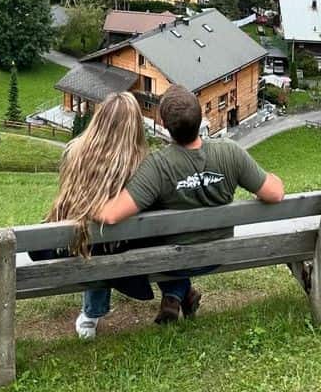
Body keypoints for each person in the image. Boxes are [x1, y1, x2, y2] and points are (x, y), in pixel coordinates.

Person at [94, 83, 285, 325]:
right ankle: (175, 295)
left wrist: (82, 206)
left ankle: (175, 294)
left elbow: (111, 215)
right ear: (201, 118)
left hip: (174, 262)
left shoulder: (157, 166)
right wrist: (275, 178)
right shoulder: (230, 152)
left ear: (163, 124)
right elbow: (275, 193)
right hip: (219, 253)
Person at [43, 91, 155, 340]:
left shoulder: (75, 153)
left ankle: (91, 316)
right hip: (123, 246)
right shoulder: (143, 164)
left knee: (93, 237)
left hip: (80, 245)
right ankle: (93, 312)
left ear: (99, 118)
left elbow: (67, 201)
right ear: (134, 126)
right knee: (107, 240)